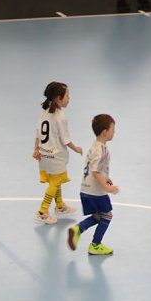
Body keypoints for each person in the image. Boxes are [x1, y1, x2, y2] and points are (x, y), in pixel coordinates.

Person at [67, 114, 119, 256]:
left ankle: (78, 229)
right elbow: (96, 172)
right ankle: (95, 245)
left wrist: (107, 179)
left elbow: (96, 170)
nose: (114, 132)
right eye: (113, 129)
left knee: (98, 215)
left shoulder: (94, 147)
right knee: (107, 215)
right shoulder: (101, 150)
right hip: (96, 192)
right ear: (104, 132)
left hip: (85, 189)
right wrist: (107, 188)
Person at [32, 81, 83, 225]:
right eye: (67, 95)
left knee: (57, 179)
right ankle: (42, 211)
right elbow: (66, 140)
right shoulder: (61, 116)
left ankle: (60, 206)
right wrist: (77, 148)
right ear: (57, 98)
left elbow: (38, 132)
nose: (69, 98)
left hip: (44, 154)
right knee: (54, 182)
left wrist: (35, 149)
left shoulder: (45, 111)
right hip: (55, 155)